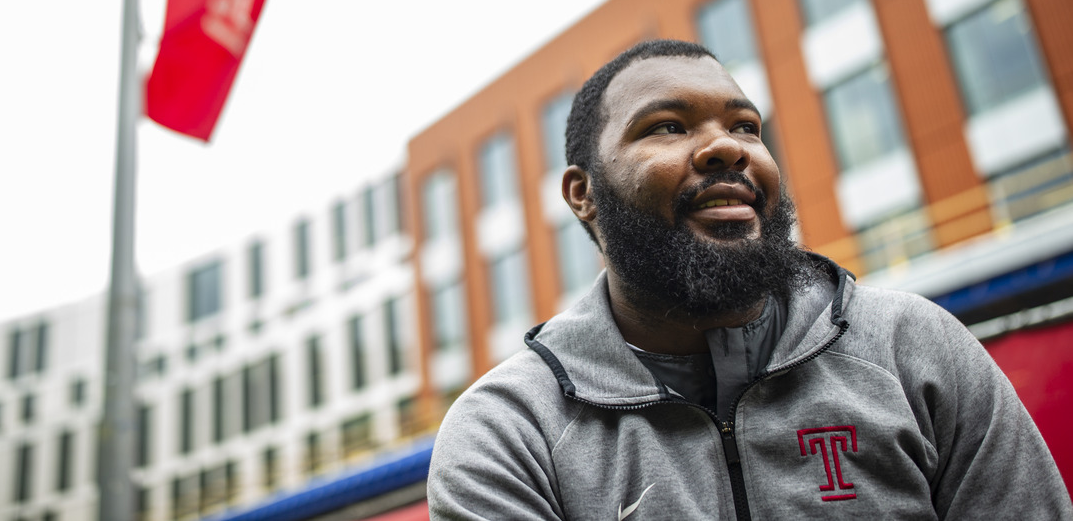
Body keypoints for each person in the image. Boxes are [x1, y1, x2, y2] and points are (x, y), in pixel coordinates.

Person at [427, 39, 1071, 520]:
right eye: (668, 127)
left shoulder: (913, 347)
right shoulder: (508, 432)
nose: (728, 146)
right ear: (582, 194)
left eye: (744, 127)